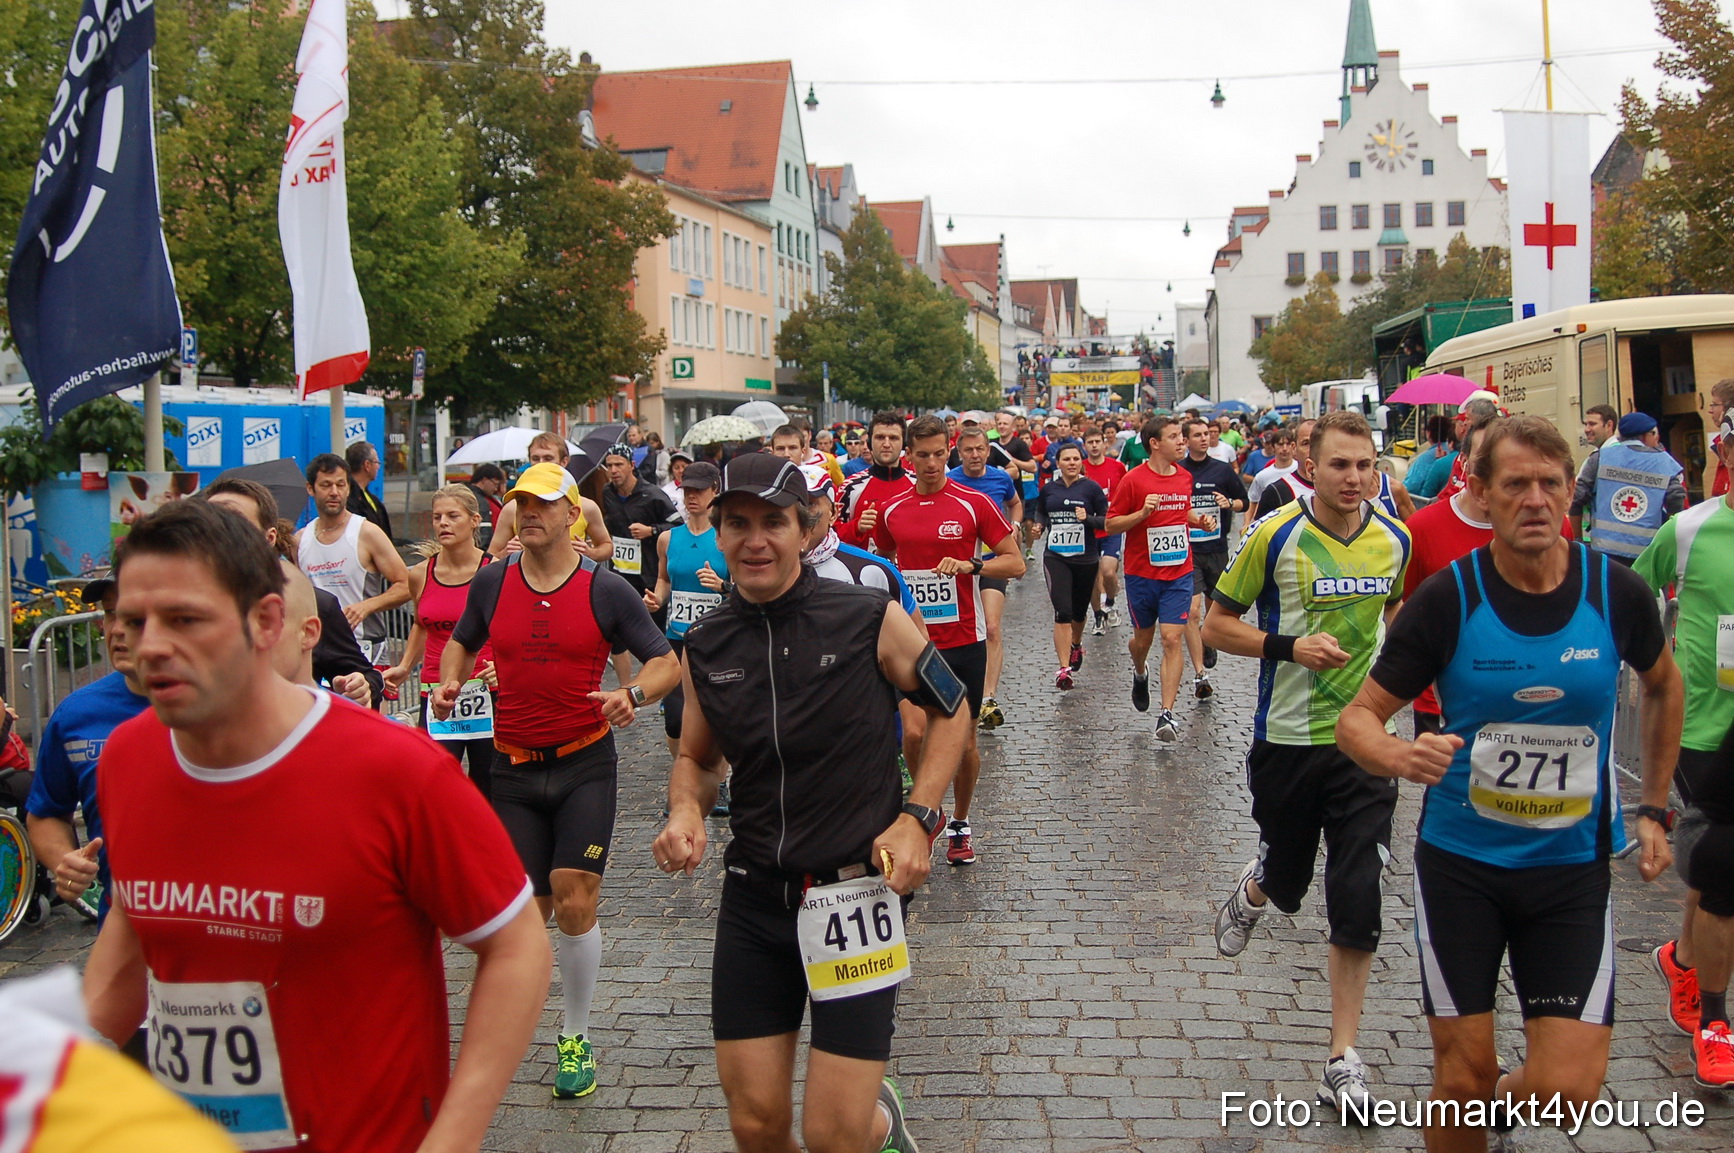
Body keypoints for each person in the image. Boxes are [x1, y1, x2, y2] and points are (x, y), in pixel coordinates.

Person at [82, 499, 551, 1153]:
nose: (150, 644)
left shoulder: (394, 771)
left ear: (268, 621)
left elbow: (519, 945)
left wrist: (453, 1135)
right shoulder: (127, 760)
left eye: (185, 619)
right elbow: (129, 944)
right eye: (133, 619)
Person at [1336, 414, 1683, 1144]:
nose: (1535, 499)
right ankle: (1469, 1095)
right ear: (1482, 495)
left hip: (1569, 870)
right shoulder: (1449, 599)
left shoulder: (1612, 592)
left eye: (1550, 483)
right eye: (1515, 484)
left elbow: (1663, 684)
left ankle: (1487, 1098)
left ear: (1570, 495)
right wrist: (1399, 756)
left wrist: (1652, 805)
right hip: (1463, 866)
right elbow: (1358, 719)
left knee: (1566, 1093)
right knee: (1458, 1077)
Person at [653, 451, 971, 1153]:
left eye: (774, 521)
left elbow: (953, 707)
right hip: (754, 897)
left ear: (805, 529)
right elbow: (698, 759)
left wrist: (918, 817)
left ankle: (877, 1124)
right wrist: (684, 810)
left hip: (854, 897)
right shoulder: (706, 643)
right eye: (738, 523)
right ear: (717, 529)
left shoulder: (868, 615)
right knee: (757, 1125)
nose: (755, 539)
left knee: (832, 1135)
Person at [435, 462, 681, 1101]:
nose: (529, 514)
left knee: (574, 896)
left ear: (573, 513)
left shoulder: (606, 590)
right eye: (521, 504)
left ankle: (575, 1035)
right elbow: (461, 643)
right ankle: (508, 1030)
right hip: (511, 767)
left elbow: (666, 663)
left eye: (544, 504)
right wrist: (449, 680)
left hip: (582, 762)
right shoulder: (491, 583)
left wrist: (631, 694)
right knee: (524, 915)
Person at [1202, 410, 1412, 1116]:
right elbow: (1217, 625)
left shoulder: (1395, 539)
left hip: (1362, 740)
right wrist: (1291, 648)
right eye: (1340, 466)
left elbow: (1396, 615)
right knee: (1292, 883)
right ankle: (1259, 887)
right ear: (1309, 467)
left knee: (1358, 886)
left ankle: (1342, 1057)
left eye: (1365, 465)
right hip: (1288, 740)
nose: (1354, 478)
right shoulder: (1275, 534)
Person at [873, 415, 1024, 866]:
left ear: (950, 450)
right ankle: (927, 808)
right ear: (910, 457)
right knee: (915, 734)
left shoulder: (973, 503)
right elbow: (881, 561)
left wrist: (971, 566)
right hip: (911, 642)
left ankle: (959, 819)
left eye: (941, 453)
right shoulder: (893, 509)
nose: (934, 463)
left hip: (962, 639)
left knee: (966, 744)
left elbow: (1014, 563)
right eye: (924, 455)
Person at [1632, 421, 1734, 1086]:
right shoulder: (1691, 528)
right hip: (1706, 725)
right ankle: (1717, 1024)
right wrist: (1660, 669)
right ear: (1725, 453)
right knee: (1725, 865)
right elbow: (1634, 594)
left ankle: (1681, 958)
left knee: (1717, 864)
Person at [29, 573, 150, 925]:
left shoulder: (229, 707)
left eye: (135, 617)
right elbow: (47, 811)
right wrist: (66, 861)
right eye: (111, 614)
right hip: (122, 935)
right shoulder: (77, 715)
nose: (116, 630)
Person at [204, 478, 380, 708]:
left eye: (236, 526)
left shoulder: (314, 604)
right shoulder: (175, 607)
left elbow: (366, 677)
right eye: (209, 527)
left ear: (269, 539)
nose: (221, 537)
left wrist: (360, 685)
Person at [1104, 417, 1218, 742]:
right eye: (1175, 437)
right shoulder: (1133, 480)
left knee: (1172, 639)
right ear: (1155, 443)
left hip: (1179, 573)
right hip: (1142, 575)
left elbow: (1181, 512)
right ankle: (1140, 670)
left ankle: (1166, 714)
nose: (1183, 442)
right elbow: (1111, 525)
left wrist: (1201, 520)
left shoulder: (1184, 477)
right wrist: (1141, 514)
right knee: (1143, 642)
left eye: (1183, 436)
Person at [381, 486, 499, 798]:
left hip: (486, 690)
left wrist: (502, 665)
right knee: (433, 781)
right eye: (437, 517)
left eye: (452, 516)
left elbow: (512, 628)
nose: (443, 523)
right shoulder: (421, 573)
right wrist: (405, 666)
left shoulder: (496, 570)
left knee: (489, 782)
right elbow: (421, 624)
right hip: (435, 691)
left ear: (474, 521)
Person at [642, 460, 729, 779]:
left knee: (715, 713)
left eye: (698, 491)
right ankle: (687, 773)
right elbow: (664, 579)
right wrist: (656, 598)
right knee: (675, 718)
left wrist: (722, 586)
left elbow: (742, 587)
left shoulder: (725, 537)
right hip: (678, 639)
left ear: (714, 492)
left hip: (718, 638)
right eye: (686, 490)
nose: (691, 497)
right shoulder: (668, 539)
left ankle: (718, 779)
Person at [298, 453, 411, 662]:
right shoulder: (301, 540)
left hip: (364, 648)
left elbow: (406, 585)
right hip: (319, 650)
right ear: (310, 489)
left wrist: (367, 606)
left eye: (341, 485)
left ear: (348, 488)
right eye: (326, 485)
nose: (334, 492)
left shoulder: (367, 533)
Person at [945, 427, 1021, 730]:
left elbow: (1015, 502)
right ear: (959, 453)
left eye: (980, 449)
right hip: (958, 567)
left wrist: (1014, 525)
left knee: (990, 626)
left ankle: (988, 697)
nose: (975, 455)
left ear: (988, 451)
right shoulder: (949, 480)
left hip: (990, 563)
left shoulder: (1001, 478)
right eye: (968, 450)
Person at [1178, 418, 1248, 695]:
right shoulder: (1178, 472)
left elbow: (1244, 502)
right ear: (1186, 440)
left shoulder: (1221, 471)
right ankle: (1200, 674)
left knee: (1212, 610)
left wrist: (1229, 503)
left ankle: (1207, 642)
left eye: (1206, 434)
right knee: (1191, 612)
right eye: (1197, 435)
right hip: (1189, 551)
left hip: (1217, 549)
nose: (1204, 439)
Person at [1034, 443, 1108, 689]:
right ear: (1058, 462)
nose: (1072, 463)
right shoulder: (1049, 489)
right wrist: (1039, 526)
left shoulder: (1091, 488)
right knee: (1062, 612)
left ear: (1081, 462)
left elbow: (1107, 519)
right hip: (1056, 557)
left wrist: (1087, 518)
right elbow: (1041, 512)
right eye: (1067, 459)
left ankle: (1076, 644)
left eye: (1076, 459)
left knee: (1078, 612)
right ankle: (1063, 669)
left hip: (1085, 558)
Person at [1573, 412, 1687, 564]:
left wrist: (1578, 539)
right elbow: (1676, 501)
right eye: (1653, 433)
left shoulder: (1600, 458)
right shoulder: (1665, 462)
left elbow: (1576, 499)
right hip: (1648, 553)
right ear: (1645, 436)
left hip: (1604, 554)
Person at [488, 432, 612, 562]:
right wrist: (505, 554)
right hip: (524, 579)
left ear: (564, 461)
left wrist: (591, 553)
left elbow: (607, 546)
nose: (541, 464)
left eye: (548, 458)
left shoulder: (585, 506)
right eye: (535, 458)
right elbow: (491, 556)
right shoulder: (512, 508)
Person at [836, 412, 915, 551]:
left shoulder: (918, 485)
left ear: (903, 443)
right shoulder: (850, 487)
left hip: (910, 570)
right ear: (869, 444)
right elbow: (830, 535)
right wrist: (857, 527)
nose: (886, 444)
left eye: (893, 438)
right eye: (879, 437)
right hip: (865, 570)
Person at [1081, 426, 1128, 634]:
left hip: (1111, 527)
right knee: (1091, 577)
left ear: (1104, 443)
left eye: (1097, 442)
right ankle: (1098, 615)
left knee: (1109, 572)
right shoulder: (1080, 468)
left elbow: (1126, 492)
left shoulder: (1117, 467)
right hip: (1088, 528)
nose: (1094, 446)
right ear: (1084, 446)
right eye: (1089, 442)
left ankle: (1110, 601)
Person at [344, 440, 394, 540]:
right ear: (367, 465)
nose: (378, 467)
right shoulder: (348, 500)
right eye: (377, 462)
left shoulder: (371, 498)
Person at [1245, 427, 1299, 507]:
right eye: (1280, 444)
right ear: (1273, 447)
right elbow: (1253, 501)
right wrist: (1248, 519)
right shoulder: (1262, 476)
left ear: (1293, 446)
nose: (1284, 449)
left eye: (1288, 444)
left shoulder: (1302, 470)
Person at [469, 462, 508, 529]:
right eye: (495, 484)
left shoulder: (481, 497)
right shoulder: (479, 500)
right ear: (484, 480)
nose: (495, 489)